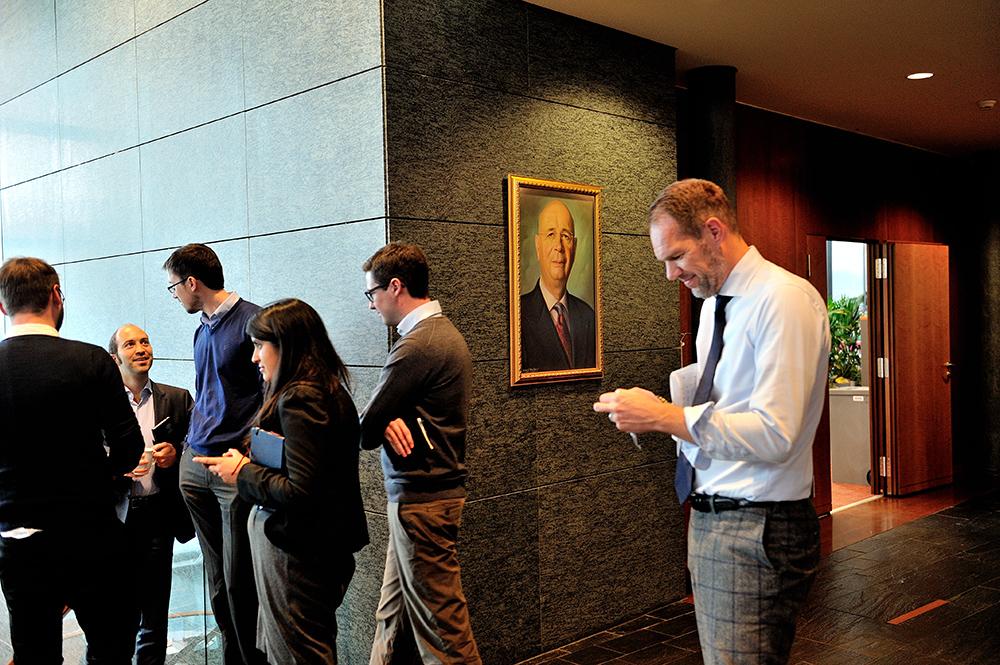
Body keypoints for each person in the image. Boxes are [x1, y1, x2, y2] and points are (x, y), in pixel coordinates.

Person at [593, 179, 830, 664]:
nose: (670, 274)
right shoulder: (715, 307)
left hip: (757, 526)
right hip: (714, 517)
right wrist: (660, 410)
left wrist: (666, 417)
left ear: (714, 231)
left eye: (677, 256)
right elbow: (727, 406)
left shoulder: (783, 300)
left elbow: (776, 434)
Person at [193, 298, 369, 664]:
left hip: (298, 553)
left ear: (287, 345)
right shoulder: (321, 389)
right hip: (304, 550)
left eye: (260, 346)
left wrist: (242, 472)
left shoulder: (302, 398)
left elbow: (302, 490)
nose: (254, 357)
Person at [0, 257, 143, 663]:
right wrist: (100, 476)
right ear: (56, 296)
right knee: (111, 650)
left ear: (2, 307)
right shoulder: (92, 360)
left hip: (19, 542)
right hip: (92, 535)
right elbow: (130, 448)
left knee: (35, 655)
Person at [361, 242, 481, 665]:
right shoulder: (441, 334)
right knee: (390, 619)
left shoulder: (418, 345)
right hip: (424, 498)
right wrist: (386, 419)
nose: (371, 304)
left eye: (372, 293)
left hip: (422, 502)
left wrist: (382, 420)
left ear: (395, 287)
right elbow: (378, 420)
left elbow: (364, 427)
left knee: (444, 636)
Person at [163, 243, 265, 665]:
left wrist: (248, 452)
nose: (174, 296)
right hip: (195, 465)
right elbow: (206, 393)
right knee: (218, 579)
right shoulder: (201, 328)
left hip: (231, 470)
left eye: (174, 287)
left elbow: (270, 393)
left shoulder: (253, 321)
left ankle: (250, 659)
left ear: (192, 282)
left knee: (240, 580)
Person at [108, 323, 195, 665]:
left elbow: (198, 447)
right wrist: (117, 468)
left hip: (159, 516)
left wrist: (177, 453)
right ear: (115, 358)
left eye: (144, 341)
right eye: (130, 344)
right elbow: (82, 455)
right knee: (116, 618)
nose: (141, 348)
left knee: (155, 616)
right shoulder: (100, 404)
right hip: (115, 520)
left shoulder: (178, 398)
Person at [520, 199, 597, 371]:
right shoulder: (519, 315)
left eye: (565, 236)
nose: (559, 246)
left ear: (574, 247)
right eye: (550, 235)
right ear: (537, 246)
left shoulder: (589, 317)